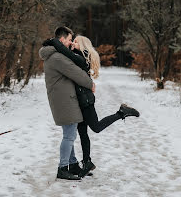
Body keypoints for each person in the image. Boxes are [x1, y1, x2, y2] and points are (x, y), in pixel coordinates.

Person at [44, 35, 140, 177]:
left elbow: (67, 54)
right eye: (72, 40)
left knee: (96, 127)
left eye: (76, 41)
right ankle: (87, 161)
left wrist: (53, 42)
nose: (72, 43)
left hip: (85, 100)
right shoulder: (77, 55)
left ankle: (121, 113)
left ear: (82, 44)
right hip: (79, 100)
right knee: (82, 133)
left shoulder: (82, 56)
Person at [39, 27, 95, 181]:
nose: (71, 42)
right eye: (70, 39)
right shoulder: (57, 57)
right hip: (64, 100)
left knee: (69, 134)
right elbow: (75, 72)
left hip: (63, 98)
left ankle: (73, 164)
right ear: (62, 39)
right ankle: (63, 168)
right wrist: (90, 83)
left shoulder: (54, 55)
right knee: (69, 135)